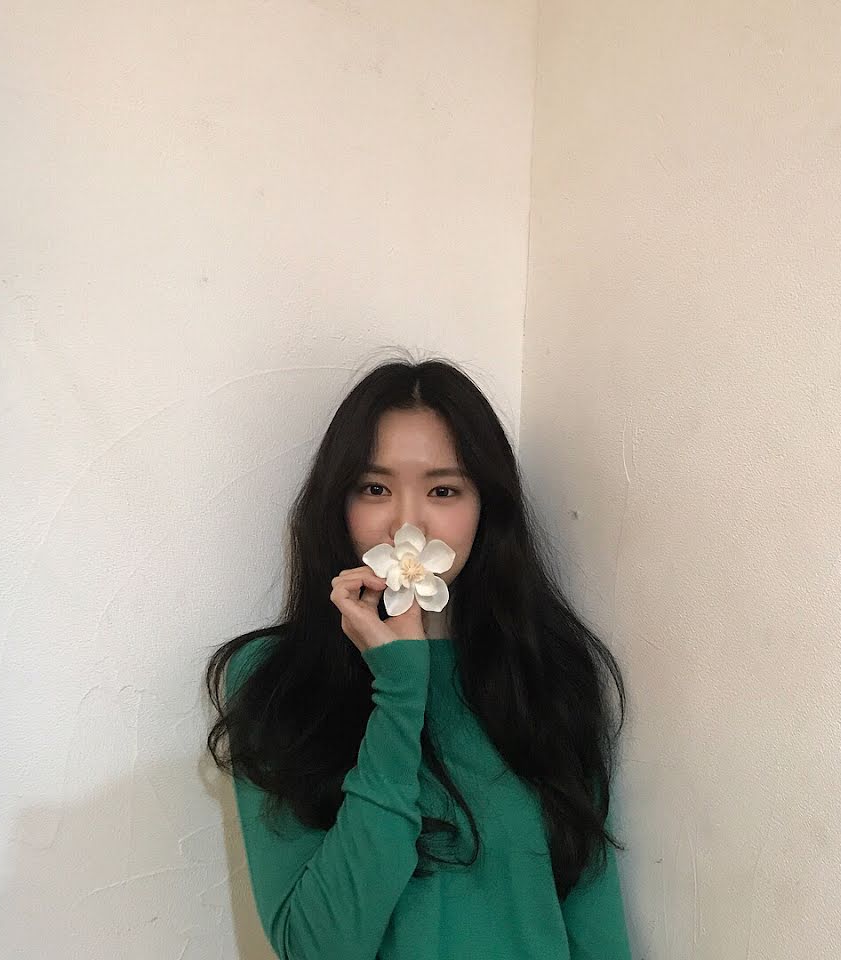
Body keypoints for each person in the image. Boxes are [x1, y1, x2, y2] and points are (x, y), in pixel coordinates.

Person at [205, 354, 632, 959]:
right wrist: (400, 689)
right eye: (375, 489)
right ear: (338, 505)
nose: (408, 523)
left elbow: (594, 922)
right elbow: (318, 947)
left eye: (443, 490)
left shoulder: (547, 671)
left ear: (486, 508)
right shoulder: (274, 682)